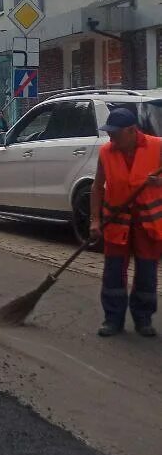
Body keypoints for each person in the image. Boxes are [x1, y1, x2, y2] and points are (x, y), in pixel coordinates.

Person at [89, 108, 162, 338]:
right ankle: (113, 320)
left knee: (147, 274)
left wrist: (159, 181)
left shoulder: (157, 146)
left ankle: (143, 319)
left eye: (115, 133)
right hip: (116, 223)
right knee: (113, 274)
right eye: (109, 133)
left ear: (132, 131)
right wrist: (95, 220)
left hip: (147, 223)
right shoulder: (106, 152)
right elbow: (97, 188)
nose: (111, 138)